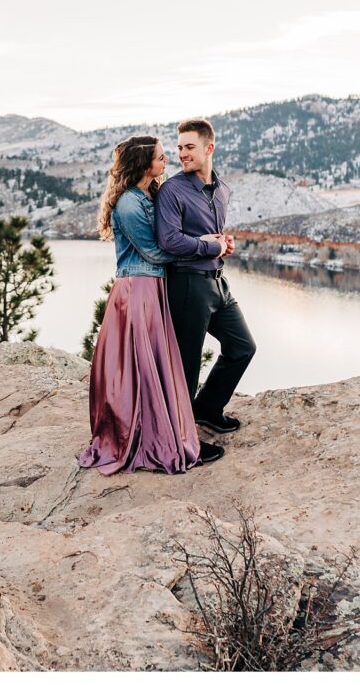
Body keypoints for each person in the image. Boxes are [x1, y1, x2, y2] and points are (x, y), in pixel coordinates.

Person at [78, 135, 228, 475]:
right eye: (161, 158)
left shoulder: (150, 194)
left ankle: (163, 428)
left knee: (153, 365)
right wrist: (203, 246)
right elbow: (156, 252)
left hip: (154, 287)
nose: (167, 162)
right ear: (145, 164)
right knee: (140, 366)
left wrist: (203, 240)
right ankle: (148, 436)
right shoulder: (129, 204)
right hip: (137, 290)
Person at [155, 117, 256, 434]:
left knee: (242, 347)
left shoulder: (223, 189)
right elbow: (169, 240)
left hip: (217, 283)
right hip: (186, 285)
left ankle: (208, 410)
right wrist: (209, 247)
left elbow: (212, 235)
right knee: (186, 368)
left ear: (209, 148)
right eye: (179, 148)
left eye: (189, 147)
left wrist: (224, 242)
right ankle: (180, 439)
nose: (182, 154)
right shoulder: (172, 191)